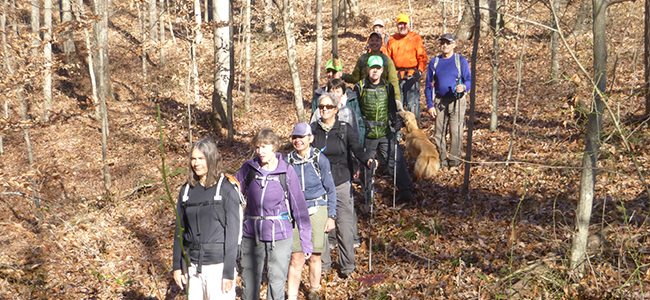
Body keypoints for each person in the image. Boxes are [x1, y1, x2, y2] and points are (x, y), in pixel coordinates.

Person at [236, 129, 313, 300]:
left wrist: (306, 242)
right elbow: (233, 195)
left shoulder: (287, 172)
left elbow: (299, 209)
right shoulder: (248, 169)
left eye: (264, 147)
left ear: (275, 147)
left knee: (277, 283)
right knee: (249, 283)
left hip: (280, 234)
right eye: (257, 147)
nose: (260, 151)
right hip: (251, 233)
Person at [311, 93, 374, 278]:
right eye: (321, 106)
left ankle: (347, 267)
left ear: (336, 109)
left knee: (345, 226)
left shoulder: (345, 129)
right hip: (319, 185)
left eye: (328, 107)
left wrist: (367, 161)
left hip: (340, 182)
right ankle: (324, 266)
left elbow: (357, 149)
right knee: (320, 226)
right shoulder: (313, 130)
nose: (324, 110)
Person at [172, 138, 242, 299]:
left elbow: (232, 235)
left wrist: (229, 272)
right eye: (193, 159)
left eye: (201, 158)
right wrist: (177, 265)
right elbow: (179, 230)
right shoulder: (186, 191)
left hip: (218, 267)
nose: (196, 163)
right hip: (192, 267)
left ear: (211, 158)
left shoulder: (226, 190)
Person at [285, 123, 337, 300]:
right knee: (296, 256)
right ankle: (291, 295)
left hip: (318, 208)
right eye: (295, 138)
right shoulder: (288, 161)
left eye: (301, 137)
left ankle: (314, 290)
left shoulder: (320, 159)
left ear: (310, 139)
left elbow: (331, 189)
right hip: (296, 211)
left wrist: (331, 216)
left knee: (315, 255)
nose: (298, 141)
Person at [354, 55, 413, 203]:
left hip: (386, 133)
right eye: (372, 67)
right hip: (367, 134)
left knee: (396, 160)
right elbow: (356, 111)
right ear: (367, 69)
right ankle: (367, 197)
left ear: (382, 70)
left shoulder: (388, 87)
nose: (375, 71)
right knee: (367, 165)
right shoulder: (359, 87)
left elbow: (392, 109)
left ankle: (406, 192)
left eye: (378, 68)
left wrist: (396, 122)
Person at [424, 33, 472, 172]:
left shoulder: (460, 60)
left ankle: (455, 163)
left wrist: (463, 87)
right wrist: (430, 105)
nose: (445, 46)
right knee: (439, 133)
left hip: (457, 101)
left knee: (456, 133)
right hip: (440, 101)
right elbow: (428, 85)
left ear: (454, 44)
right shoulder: (435, 62)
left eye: (448, 43)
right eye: (443, 43)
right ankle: (442, 162)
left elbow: (468, 80)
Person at [343, 32, 402, 111]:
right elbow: (355, 78)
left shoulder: (387, 61)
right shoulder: (363, 59)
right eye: (372, 40)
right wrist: (343, 75)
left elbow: (393, 82)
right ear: (369, 42)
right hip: (364, 99)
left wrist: (397, 99)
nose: (374, 43)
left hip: (382, 101)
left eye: (377, 40)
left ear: (381, 42)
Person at [386, 13, 428, 125]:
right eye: (400, 24)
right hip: (396, 76)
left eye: (404, 24)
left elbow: (422, 57)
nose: (402, 26)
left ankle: (415, 131)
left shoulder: (415, 38)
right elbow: (387, 59)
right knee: (396, 104)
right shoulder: (392, 39)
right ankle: (397, 134)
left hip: (411, 76)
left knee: (412, 105)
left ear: (408, 25)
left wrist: (419, 71)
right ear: (397, 25)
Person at [311, 78, 364, 145]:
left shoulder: (348, 112)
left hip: (344, 148)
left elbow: (355, 132)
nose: (334, 95)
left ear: (343, 93)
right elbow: (311, 130)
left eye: (338, 91)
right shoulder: (321, 111)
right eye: (332, 92)